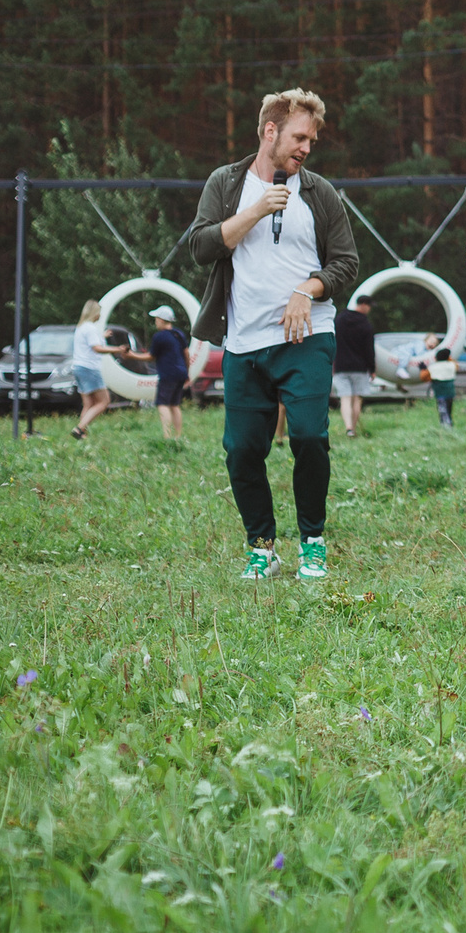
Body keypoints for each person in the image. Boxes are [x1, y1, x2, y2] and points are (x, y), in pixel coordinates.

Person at [188, 87, 360, 583]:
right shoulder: (225, 183)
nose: (306, 147)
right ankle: (262, 546)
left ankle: (313, 543)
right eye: (299, 137)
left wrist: (309, 288)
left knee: (308, 436)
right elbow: (201, 246)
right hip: (243, 341)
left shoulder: (319, 192)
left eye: (312, 139)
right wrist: (257, 210)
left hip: (308, 337)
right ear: (270, 131)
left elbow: (346, 261)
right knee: (242, 449)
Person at [69, 298, 124, 439]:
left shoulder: (81, 327)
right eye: (99, 312)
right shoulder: (90, 328)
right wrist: (117, 349)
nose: (99, 316)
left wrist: (102, 336)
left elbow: (90, 342)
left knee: (88, 404)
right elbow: (97, 348)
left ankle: (82, 434)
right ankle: (79, 429)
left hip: (79, 368)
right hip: (89, 369)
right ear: (94, 313)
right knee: (104, 401)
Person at [331, 292, 376, 439]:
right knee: (357, 399)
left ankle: (348, 428)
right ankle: (353, 429)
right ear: (363, 305)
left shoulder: (340, 319)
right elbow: (369, 349)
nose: (369, 309)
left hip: (341, 366)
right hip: (359, 367)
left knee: (345, 398)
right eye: (369, 306)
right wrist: (372, 368)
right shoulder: (365, 324)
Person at [145, 304, 191, 441]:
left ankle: (167, 435)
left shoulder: (160, 337)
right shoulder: (178, 334)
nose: (155, 321)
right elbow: (186, 353)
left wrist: (131, 356)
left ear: (161, 319)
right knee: (174, 405)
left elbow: (151, 357)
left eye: (156, 319)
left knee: (162, 404)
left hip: (168, 374)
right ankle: (178, 435)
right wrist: (187, 371)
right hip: (181, 373)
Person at [428, 346, 458, 428]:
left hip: (440, 392)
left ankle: (445, 424)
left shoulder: (433, 367)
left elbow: (425, 376)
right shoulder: (451, 365)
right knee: (449, 408)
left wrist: (422, 368)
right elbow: (456, 366)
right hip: (450, 392)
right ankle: (449, 422)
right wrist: (449, 358)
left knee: (442, 409)